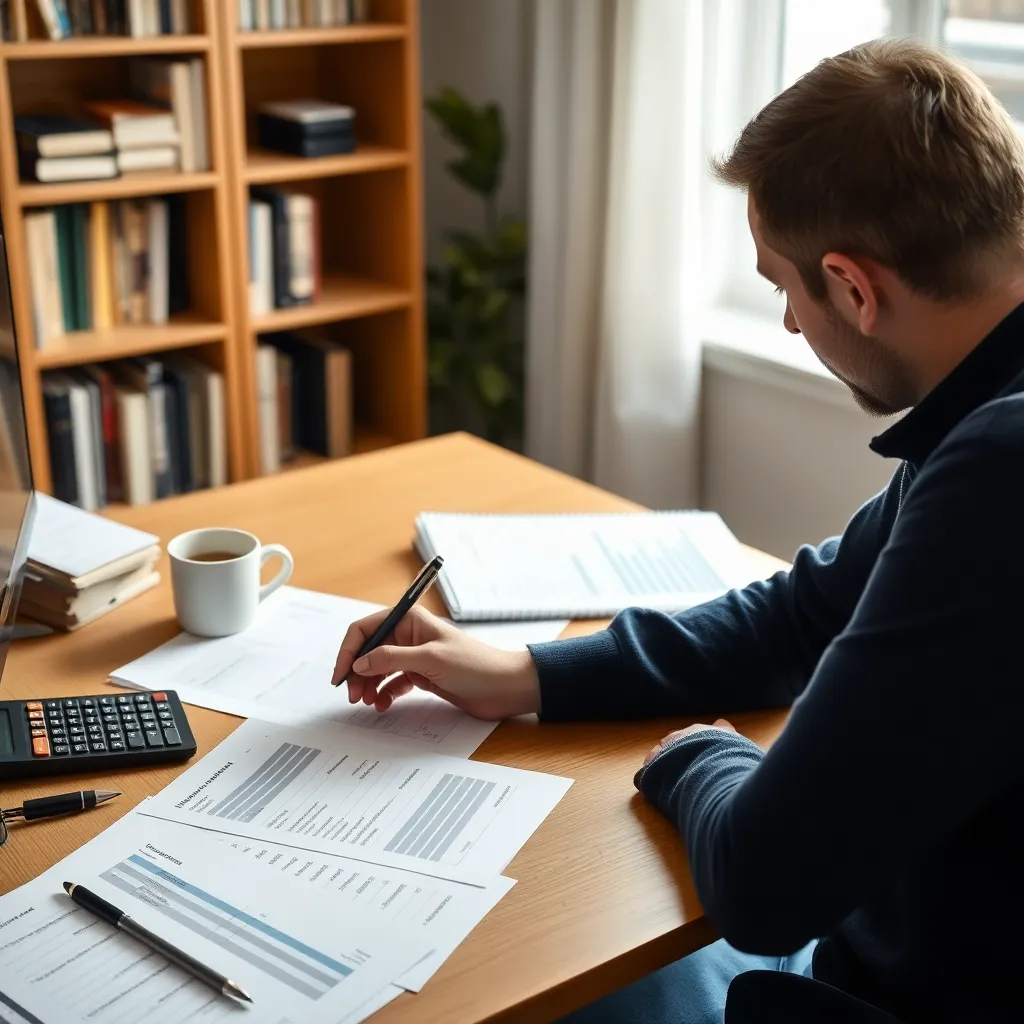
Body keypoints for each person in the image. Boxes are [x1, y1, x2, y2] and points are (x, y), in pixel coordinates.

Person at [332, 39, 1024, 1024]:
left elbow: (765, 883)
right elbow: (805, 610)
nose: (789, 323)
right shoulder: (985, 407)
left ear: (855, 289)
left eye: (784, 288)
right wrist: (523, 672)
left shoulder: (1000, 471)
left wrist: (697, 756)